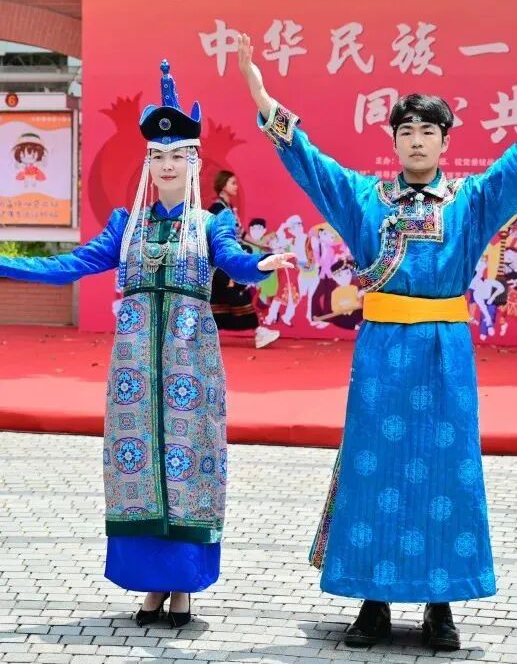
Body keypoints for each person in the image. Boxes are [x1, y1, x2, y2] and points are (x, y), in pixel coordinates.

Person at [237, 32, 517, 651]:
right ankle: (373, 602)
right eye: (406, 131)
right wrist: (263, 99)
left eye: (428, 131)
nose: (416, 140)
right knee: (374, 466)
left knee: (445, 471)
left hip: (445, 353)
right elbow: (312, 166)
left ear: (446, 142)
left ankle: (441, 606)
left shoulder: (471, 202)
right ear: (393, 142)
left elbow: (513, 169)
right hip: (382, 352)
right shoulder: (366, 199)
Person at [0, 59, 295, 628]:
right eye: (158, 156)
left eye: (177, 155)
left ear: (194, 161)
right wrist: (8, 264)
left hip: (191, 365)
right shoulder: (126, 224)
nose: (166, 165)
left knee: (187, 464)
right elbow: (71, 265)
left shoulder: (210, 223)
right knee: (137, 466)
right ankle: (150, 586)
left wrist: (259, 265)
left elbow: (234, 260)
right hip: (135, 367)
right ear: (148, 163)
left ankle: (183, 585)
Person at [208, 170, 280, 348]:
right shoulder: (217, 209)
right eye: (233, 183)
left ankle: (208, 334)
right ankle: (258, 331)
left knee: (220, 298)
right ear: (223, 185)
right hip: (224, 261)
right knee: (235, 293)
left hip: (229, 259)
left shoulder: (228, 207)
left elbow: (241, 233)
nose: (236, 187)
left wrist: (261, 245)